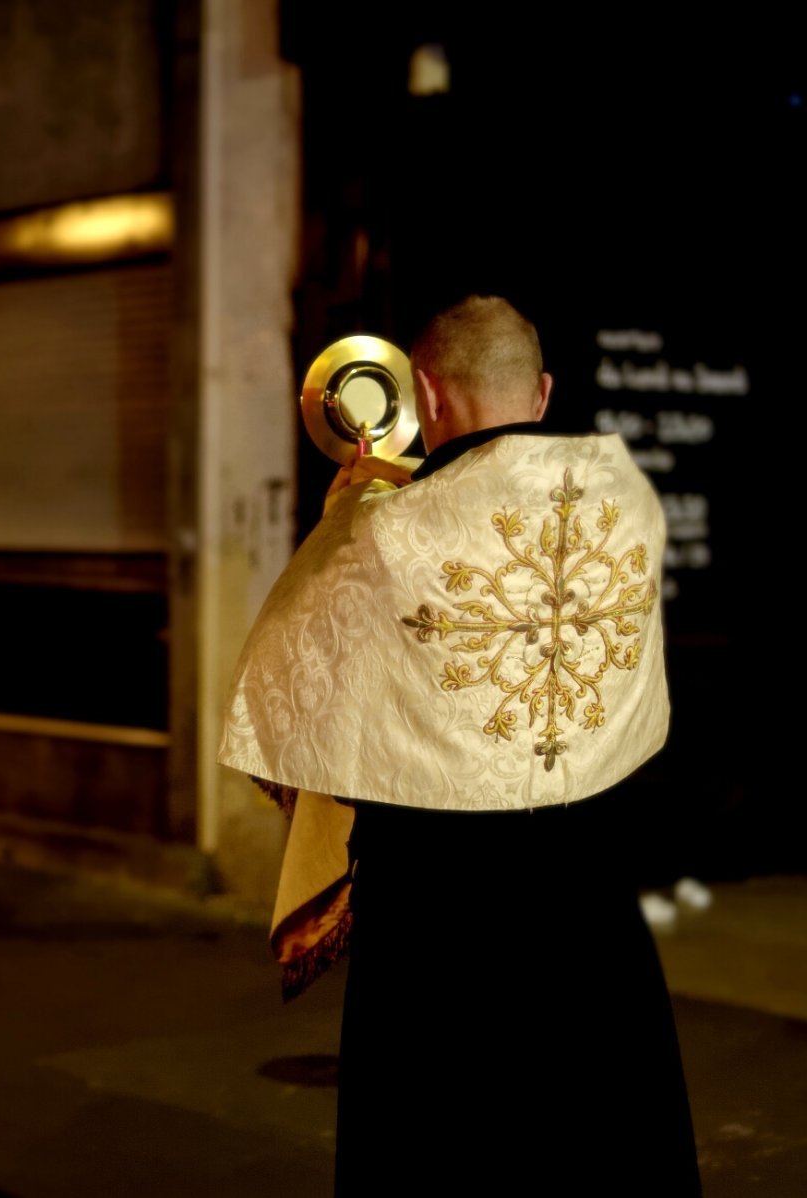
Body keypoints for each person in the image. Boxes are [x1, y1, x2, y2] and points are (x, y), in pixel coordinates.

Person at [218, 295, 701, 1195]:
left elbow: (285, 690)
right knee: (602, 1132)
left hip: (440, 915)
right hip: (587, 894)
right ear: (545, 392)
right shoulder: (629, 510)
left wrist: (346, 513)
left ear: (427, 396)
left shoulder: (383, 530)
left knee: (443, 1144)